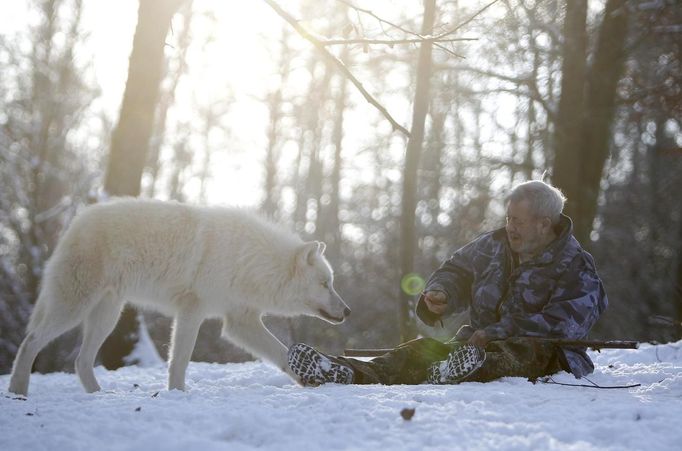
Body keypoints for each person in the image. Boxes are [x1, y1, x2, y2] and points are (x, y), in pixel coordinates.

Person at [287, 180, 608, 386]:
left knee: (521, 351)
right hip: (471, 346)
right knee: (419, 350)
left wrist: (495, 333)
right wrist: (442, 293)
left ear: (544, 224)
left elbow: (562, 327)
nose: (510, 227)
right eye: (508, 218)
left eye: (518, 222)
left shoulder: (578, 268)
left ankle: (456, 369)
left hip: (546, 356)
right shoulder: (494, 245)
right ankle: (343, 372)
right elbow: (456, 269)